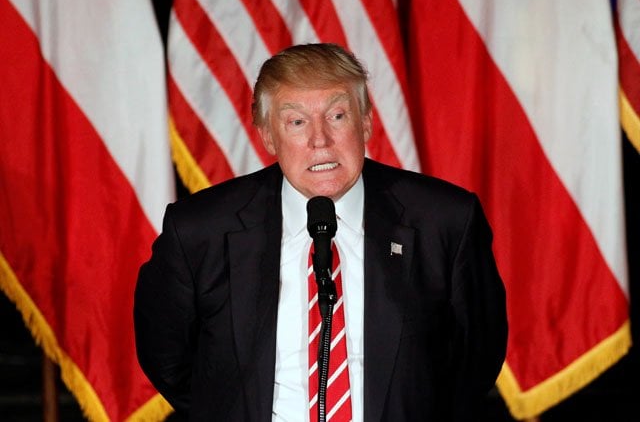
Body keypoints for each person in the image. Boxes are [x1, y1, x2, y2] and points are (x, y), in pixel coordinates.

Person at [134, 43, 507, 421]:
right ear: (267, 135)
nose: (320, 140)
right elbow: (167, 357)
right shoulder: (200, 230)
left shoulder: (444, 221)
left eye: (338, 116)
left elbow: (476, 359)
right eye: (296, 122)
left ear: (366, 122)